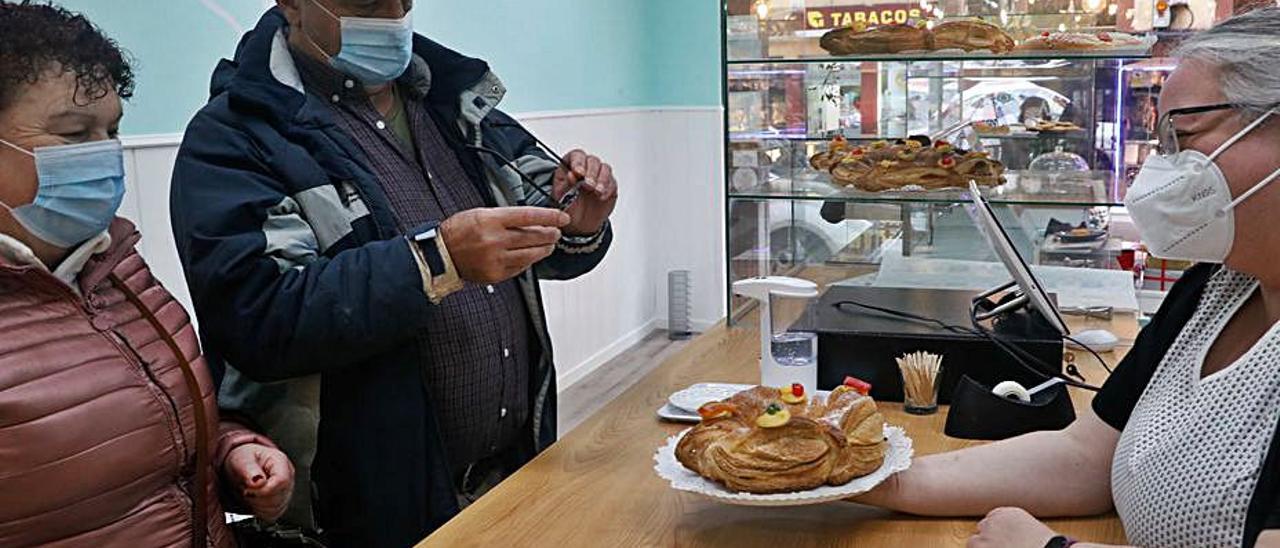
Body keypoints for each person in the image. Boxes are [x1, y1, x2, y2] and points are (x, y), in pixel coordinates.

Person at [169, 0, 618, 545]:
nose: (393, 17)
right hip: (370, 511)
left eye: (404, 1)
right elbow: (261, 318)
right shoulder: (236, 137)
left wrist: (577, 224)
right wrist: (436, 261)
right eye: (366, 3)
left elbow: (548, 242)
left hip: (516, 474)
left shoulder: (453, 99)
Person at [857, 8, 1280, 548]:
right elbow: (1085, 457)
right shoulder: (1214, 290)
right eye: (1159, 144)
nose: (1160, 167)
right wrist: (868, 476)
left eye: (1184, 136)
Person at [0, 2, 294, 546]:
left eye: (111, 129)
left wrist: (229, 453)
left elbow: (155, 432)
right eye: (72, 133)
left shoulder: (115, 264)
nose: (104, 154)